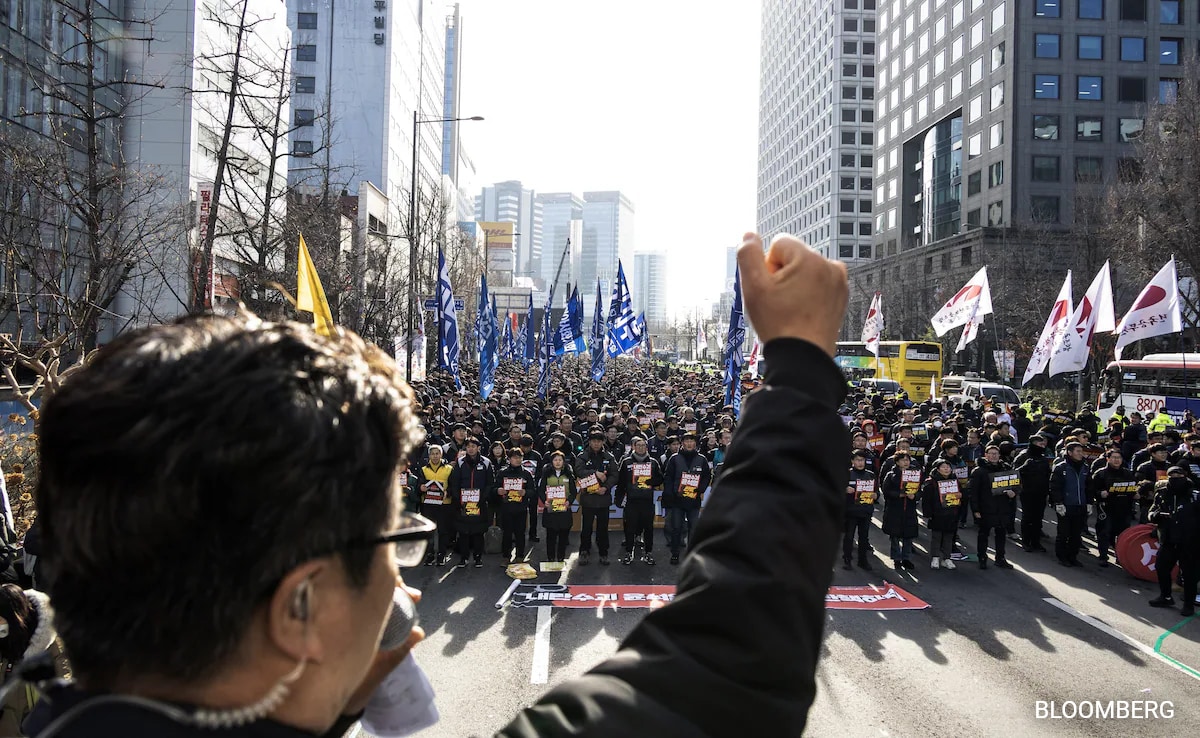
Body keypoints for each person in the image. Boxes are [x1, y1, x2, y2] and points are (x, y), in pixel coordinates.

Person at [0, 586, 69, 736]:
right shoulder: (5, 643)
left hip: (39, 728)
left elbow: (65, 684)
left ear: (13, 617)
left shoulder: (51, 646)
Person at [1147, 469, 1199, 617]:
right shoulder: (1162, 493)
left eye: (1179, 476)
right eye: (1172, 477)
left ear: (1185, 477)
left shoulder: (1195, 496)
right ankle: (1166, 596)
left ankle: (1188, 605)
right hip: (1169, 539)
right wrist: (1156, 516)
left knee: (1190, 575)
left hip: (1191, 542)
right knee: (1161, 567)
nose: (1175, 479)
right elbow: (1152, 512)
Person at [661, 432, 713, 565]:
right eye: (686, 441)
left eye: (692, 441)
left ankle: (692, 555)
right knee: (676, 528)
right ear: (682, 443)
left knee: (694, 528)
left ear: (695, 443)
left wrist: (700, 489)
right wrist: (670, 493)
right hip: (677, 500)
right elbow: (668, 477)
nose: (689, 444)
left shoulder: (702, 459)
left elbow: (707, 476)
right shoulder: (674, 458)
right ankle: (675, 554)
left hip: (694, 500)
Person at [614, 437, 664, 565]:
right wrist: (618, 499)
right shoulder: (626, 462)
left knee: (648, 528)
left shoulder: (653, 462)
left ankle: (648, 552)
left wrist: (651, 481)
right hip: (631, 501)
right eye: (638, 445)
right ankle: (628, 552)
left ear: (646, 447)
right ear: (634, 447)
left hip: (647, 501)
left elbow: (660, 478)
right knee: (630, 528)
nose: (641, 448)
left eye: (643, 445)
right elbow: (621, 483)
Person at [573, 430, 618, 566]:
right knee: (586, 528)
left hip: (603, 498)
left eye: (599, 441)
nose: (596, 444)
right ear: (590, 442)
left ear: (603, 442)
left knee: (603, 528)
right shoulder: (583, 456)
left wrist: (605, 487)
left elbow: (615, 475)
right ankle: (584, 551)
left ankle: (603, 553)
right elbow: (578, 471)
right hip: (588, 498)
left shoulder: (609, 457)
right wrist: (595, 473)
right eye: (594, 441)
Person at [970, 445, 1016, 570]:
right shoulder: (979, 471)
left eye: (996, 453)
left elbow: (1016, 485)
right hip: (986, 508)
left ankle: (1000, 558)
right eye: (991, 453)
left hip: (1003, 507)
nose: (994, 455)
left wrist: (1013, 492)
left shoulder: (1006, 468)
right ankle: (982, 558)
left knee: (1001, 534)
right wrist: (976, 510)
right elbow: (973, 492)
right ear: (986, 455)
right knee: (984, 534)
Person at [1049, 442, 1093, 567]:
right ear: (1070, 452)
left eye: (1081, 451)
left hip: (1080, 506)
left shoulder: (1085, 467)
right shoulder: (1061, 467)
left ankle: (1072, 556)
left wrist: (1089, 502)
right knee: (1063, 533)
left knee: (1076, 534)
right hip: (1066, 506)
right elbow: (1055, 487)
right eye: (1078, 451)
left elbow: (1089, 487)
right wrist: (1058, 503)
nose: (1081, 454)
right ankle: (1062, 557)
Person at [1092, 449, 1136, 568]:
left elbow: (1134, 487)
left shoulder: (1128, 473)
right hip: (1106, 508)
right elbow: (1091, 490)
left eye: (1119, 458)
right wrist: (1100, 494)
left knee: (1122, 535)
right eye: (1114, 457)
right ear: (1108, 459)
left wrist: (1136, 494)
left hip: (1124, 509)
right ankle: (1103, 556)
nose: (1117, 460)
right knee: (1104, 532)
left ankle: (1120, 556)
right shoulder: (1100, 474)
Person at [495, 448, 537, 564]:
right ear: (509, 459)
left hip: (521, 508)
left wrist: (525, 493)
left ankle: (520, 555)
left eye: (520, 457)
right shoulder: (502, 473)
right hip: (506, 508)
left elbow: (533, 491)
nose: (517, 460)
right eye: (514, 457)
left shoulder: (526, 473)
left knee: (520, 533)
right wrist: (498, 490)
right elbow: (494, 488)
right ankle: (506, 556)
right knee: (507, 533)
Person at [417, 445, 455, 566]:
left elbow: (453, 486)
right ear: (429, 455)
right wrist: (420, 487)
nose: (435, 456)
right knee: (429, 530)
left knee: (443, 530)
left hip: (444, 504)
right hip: (428, 504)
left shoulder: (449, 469)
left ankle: (441, 554)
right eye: (432, 453)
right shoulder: (423, 469)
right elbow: (419, 484)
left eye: (437, 453)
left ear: (441, 454)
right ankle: (429, 554)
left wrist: (447, 492)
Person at [881, 452, 920, 570]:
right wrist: (899, 494)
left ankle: (906, 558)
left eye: (907, 460)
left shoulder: (915, 474)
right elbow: (886, 491)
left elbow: (920, 490)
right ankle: (896, 558)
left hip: (909, 509)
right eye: (903, 460)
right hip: (894, 509)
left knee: (908, 536)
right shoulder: (891, 475)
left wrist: (916, 496)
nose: (906, 462)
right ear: (897, 462)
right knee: (895, 536)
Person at [537, 452, 577, 564]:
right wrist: (545, 500)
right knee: (551, 535)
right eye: (555, 460)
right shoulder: (546, 473)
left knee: (564, 535)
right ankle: (550, 557)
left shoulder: (568, 474)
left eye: (560, 460)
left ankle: (561, 557)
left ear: (564, 461)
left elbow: (573, 491)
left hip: (564, 509)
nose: (558, 462)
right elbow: (541, 490)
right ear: (551, 462)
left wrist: (569, 501)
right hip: (551, 509)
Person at [922, 459, 961, 570]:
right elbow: (926, 500)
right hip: (937, 514)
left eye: (948, 467)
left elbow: (963, 494)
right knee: (936, 537)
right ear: (938, 469)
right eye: (943, 467)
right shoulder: (931, 482)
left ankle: (947, 558)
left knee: (949, 537)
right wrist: (928, 514)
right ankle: (935, 557)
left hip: (951, 513)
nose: (946, 469)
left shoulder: (954, 480)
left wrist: (960, 495)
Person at [844, 450, 877, 570]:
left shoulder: (870, 475)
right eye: (857, 460)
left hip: (865, 510)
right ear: (852, 461)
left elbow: (876, 491)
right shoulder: (846, 474)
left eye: (862, 460)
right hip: (850, 510)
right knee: (849, 536)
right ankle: (847, 559)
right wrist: (845, 489)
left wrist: (875, 495)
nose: (860, 462)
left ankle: (862, 561)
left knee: (863, 537)